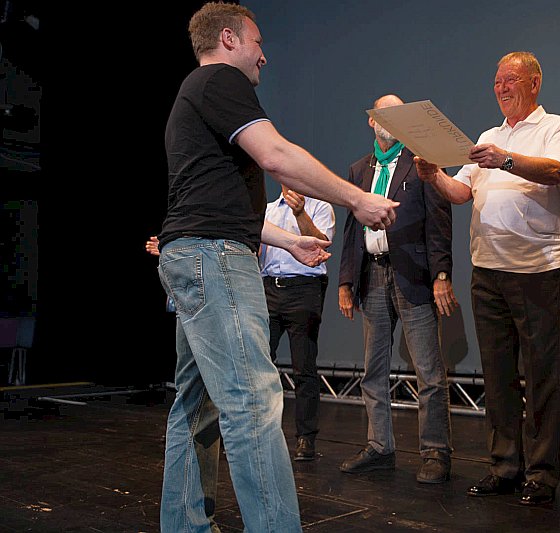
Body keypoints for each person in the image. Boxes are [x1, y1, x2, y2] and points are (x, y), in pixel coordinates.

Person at [157, 3, 398, 532]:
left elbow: (218, 206)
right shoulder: (220, 80)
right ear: (229, 39)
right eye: (258, 42)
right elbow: (277, 156)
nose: (264, 55)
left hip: (193, 254)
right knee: (252, 400)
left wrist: (290, 241)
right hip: (214, 258)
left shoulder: (193, 94)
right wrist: (357, 198)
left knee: (196, 406)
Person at [415, 52, 560, 505]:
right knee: (497, 374)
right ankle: (504, 466)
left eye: (511, 80)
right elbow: (461, 192)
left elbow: (555, 172)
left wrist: (505, 160)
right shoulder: (488, 136)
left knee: (541, 376)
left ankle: (541, 474)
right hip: (488, 271)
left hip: (539, 270)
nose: (502, 88)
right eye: (497, 81)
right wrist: (434, 176)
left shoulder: (558, 127)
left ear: (534, 83)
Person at [338, 94, 457, 484]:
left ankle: (435, 452)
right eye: (382, 114)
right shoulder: (359, 169)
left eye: (396, 114)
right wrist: (345, 281)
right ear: (371, 121)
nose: (388, 120)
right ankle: (379, 447)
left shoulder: (422, 163)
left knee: (428, 371)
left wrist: (442, 274)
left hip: (414, 274)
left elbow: (439, 221)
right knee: (373, 369)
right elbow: (351, 231)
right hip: (371, 275)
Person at [260, 186, 334, 462]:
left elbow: (322, 245)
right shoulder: (267, 210)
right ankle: (260, 432)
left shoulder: (319, 207)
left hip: (304, 289)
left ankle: (306, 437)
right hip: (269, 288)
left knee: (303, 366)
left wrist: (300, 213)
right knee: (259, 364)